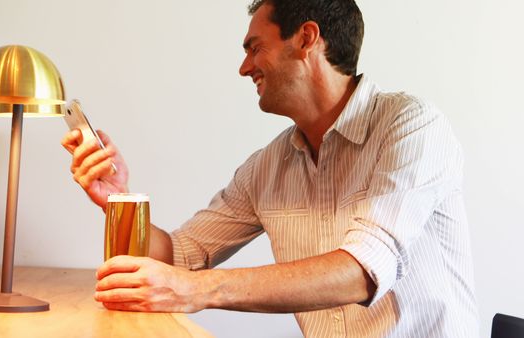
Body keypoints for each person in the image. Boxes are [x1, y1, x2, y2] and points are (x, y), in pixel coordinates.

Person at [61, 0, 478, 336]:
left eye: (255, 47)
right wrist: (116, 197)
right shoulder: (267, 167)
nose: (245, 68)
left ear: (306, 38)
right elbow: (183, 256)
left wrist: (197, 291)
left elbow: (362, 271)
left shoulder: (412, 127)